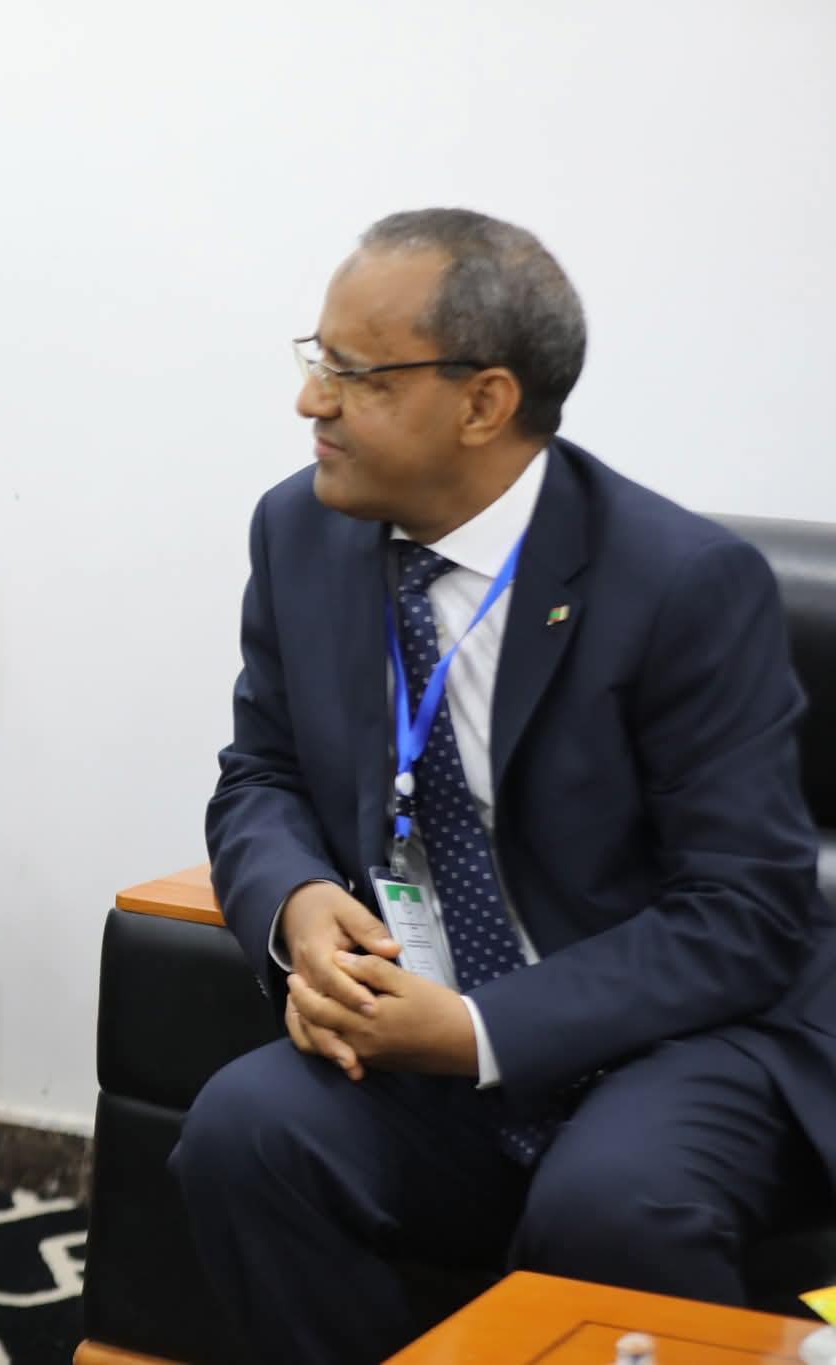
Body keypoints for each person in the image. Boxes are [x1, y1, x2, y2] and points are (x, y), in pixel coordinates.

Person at [173, 207, 836, 1362]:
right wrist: (293, 903)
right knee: (245, 1132)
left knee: (606, 1208)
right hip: (424, 1000)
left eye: (351, 373)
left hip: (675, 1030)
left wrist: (480, 1028)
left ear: (481, 402)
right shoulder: (297, 532)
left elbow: (744, 912)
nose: (309, 401)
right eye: (314, 359)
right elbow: (260, 773)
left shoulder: (680, 584)